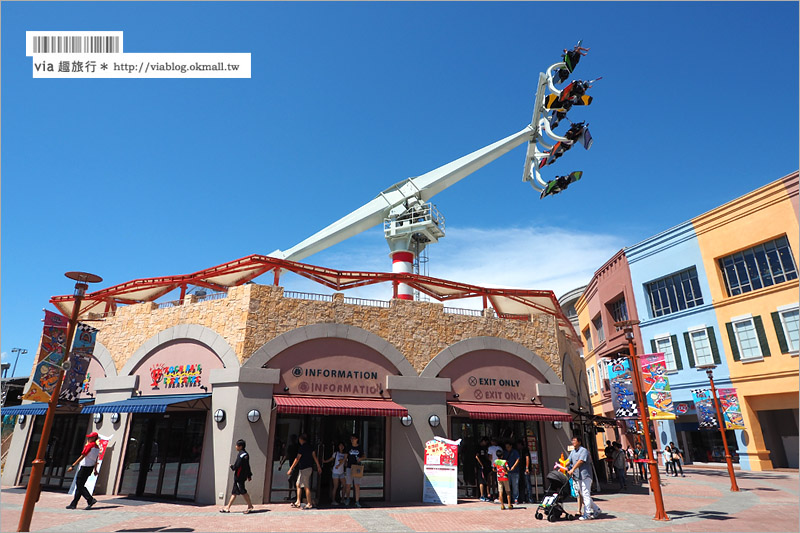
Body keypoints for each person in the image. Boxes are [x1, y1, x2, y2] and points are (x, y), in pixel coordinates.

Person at [567, 436, 601, 521]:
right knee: (584, 495)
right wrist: (562, 465)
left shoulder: (584, 451)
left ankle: (587, 514)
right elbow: (568, 461)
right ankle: (597, 509)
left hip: (585, 476)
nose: (573, 442)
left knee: (585, 494)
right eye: (572, 441)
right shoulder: (573, 452)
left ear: (579, 442)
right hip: (578, 476)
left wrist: (572, 469)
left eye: (574, 440)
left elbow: (580, 461)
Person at [66, 432, 100, 510]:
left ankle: (90, 499)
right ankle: (73, 504)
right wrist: (95, 470)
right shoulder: (97, 448)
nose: (88, 438)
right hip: (90, 468)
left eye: (90, 437)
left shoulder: (89, 446)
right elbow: (96, 459)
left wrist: (73, 465)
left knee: (79, 485)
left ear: (94, 438)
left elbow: (82, 455)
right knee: (79, 486)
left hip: (85, 467)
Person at [287, 433, 322, 509]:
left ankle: (309, 503)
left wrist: (291, 468)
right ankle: (298, 501)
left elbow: (297, 458)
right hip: (306, 468)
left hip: (305, 469)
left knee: (306, 486)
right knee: (298, 484)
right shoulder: (310, 447)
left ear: (301, 439)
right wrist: (318, 466)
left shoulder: (302, 448)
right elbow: (314, 457)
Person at [221, 439, 254, 513]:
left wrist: (232, 467)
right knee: (234, 492)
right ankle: (228, 507)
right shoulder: (245, 454)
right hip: (241, 476)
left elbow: (238, 465)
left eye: (237, 445)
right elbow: (247, 466)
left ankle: (250, 506)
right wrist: (249, 475)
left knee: (243, 491)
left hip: (239, 477)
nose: (235, 447)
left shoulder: (241, 455)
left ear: (240, 446)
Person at [343, 434, 365, 507]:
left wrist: (360, 459)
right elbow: (345, 456)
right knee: (348, 484)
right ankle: (348, 498)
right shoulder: (348, 447)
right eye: (351, 438)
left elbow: (364, 455)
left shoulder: (359, 447)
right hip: (349, 467)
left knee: (357, 485)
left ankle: (357, 501)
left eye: (354, 438)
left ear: (357, 439)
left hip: (357, 467)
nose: (352, 440)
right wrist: (344, 463)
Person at [279, 434, 299, 500]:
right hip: (294, 465)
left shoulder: (292, 447)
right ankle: (295, 496)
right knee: (295, 480)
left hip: (294, 466)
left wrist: (281, 464)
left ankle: (294, 496)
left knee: (290, 480)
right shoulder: (297, 446)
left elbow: (286, 456)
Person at [474, 437, 492, 502]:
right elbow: (476, 456)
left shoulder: (486, 448)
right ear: (483, 441)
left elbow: (487, 456)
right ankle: (481, 495)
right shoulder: (478, 447)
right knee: (481, 481)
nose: (486, 444)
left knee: (486, 480)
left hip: (486, 466)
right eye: (486, 442)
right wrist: (481, 464)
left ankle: (487, 494)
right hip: (480, 467)